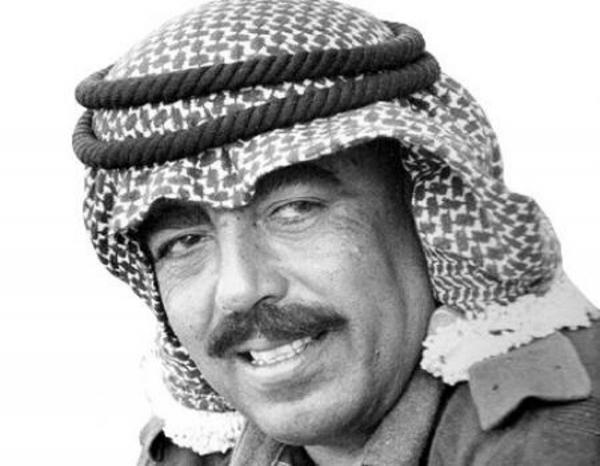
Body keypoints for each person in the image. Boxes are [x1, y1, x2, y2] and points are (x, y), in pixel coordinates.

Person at [72, 0, 600, 464]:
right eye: (185, 242)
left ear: (424, 218)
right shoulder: (195, 447)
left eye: (295, 210)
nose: (238, 289)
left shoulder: (557, 432)